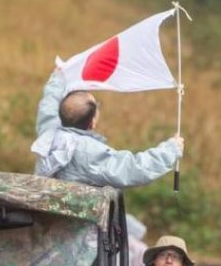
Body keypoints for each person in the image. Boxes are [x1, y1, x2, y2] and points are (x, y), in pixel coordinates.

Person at [30, 69, 184, 188]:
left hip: (45, 224)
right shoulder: (89, 152)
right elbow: (133, 169)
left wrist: (57, 78)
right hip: (80, 228)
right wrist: (171, 149)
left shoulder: (48, 134)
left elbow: (48, 106)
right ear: (92, 124)